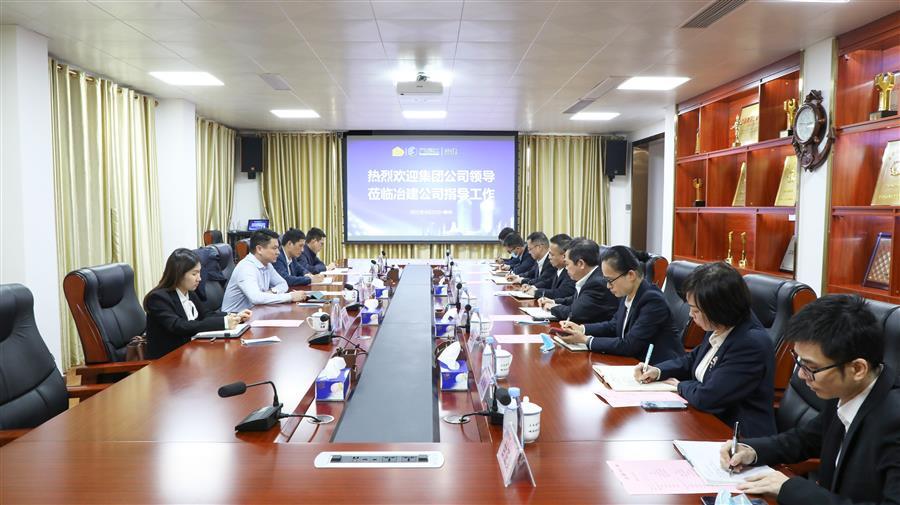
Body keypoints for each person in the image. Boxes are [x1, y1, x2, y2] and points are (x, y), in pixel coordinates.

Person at [719, 295, 899, 505]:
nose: (801, 375)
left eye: (811, 368)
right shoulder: (846, 389)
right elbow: (806, 439)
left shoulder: (894, 421)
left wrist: (792, 489)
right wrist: (751, 450)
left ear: (858, 369)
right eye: (799, 362)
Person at [634, 261, 776, 437]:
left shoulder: (750, 343)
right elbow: (694, 358)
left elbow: (708, 397)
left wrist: (680, 386)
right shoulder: (720, 325)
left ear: (718, 308)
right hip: (704, 419)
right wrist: (658, 371)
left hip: (736, 436)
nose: (690, 315)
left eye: (695, 310)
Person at [558, 245, 684, 364]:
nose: (608, 286)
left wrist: (586, 340)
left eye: (610, 280)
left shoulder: (652, 300)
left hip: (660, 369)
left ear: (631, 275)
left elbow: (629, 345)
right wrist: (581, 329)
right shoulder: (628, 294)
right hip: (633, 363)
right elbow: (613, 325)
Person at [144, 248, 251, 359]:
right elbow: (178, 326)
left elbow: (206, 314)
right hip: (168, 359)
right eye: (194, 274)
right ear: (178, 274)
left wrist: (234, 316)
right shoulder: (158, 298)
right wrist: (224, 323)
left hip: (191, 352)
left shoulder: (189, 292)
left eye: (199, 272)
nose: (199, 278)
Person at [221, 228, 308, 312]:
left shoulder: (267, 264)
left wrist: (272, 292)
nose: (278, 252)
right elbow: (256, 298)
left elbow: (283, 284)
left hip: (255, 312)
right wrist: (290, 296)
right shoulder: (246, 267)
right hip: (235, 318)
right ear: (259, 249)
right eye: (274, 248)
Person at [538, 238, 618, 324]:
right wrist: (554, 301)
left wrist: (552, 307)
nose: (566, 268)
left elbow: (573, 313)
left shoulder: (597, 284)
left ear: (581, 264)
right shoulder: (590, 277)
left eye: (567, 264)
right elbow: (576, 299)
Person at [522, 233, 575, 300]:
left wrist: (537, 292)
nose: (549, 257)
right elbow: (548, 282)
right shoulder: (559, 269)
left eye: (552, 254)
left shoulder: (571, 272)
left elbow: (561, 293)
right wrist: (533, 287)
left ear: (564, 256)